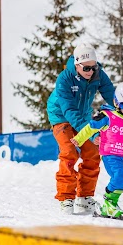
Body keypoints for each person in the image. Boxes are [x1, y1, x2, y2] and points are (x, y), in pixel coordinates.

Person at [47, 43, 115, 215]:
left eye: (94, 67)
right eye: (86, 68)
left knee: (93, 152)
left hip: (84, 116)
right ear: (77, 64)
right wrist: (88, 133)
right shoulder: (64, 78)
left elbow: (111, 94)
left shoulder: (97, 73)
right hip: (62, 116)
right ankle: (66, 197)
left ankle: (84, 197)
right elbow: (69, 109)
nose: (91, 71)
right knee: (69, 152)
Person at [70, 82, 123, 221]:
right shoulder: (107, 116)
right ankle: (108, 204)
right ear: (117, 102)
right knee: (119, 178)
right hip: (110, 155)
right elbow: (91, 127)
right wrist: (79, 139)